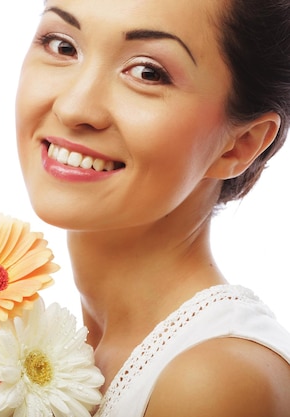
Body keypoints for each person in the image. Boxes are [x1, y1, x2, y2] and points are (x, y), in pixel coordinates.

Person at [15, 0, 290, 416]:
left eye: (147, 72)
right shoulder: (47, 349)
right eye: (63, 46)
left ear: (241, 144)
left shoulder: (214, 382)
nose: (73, 108)